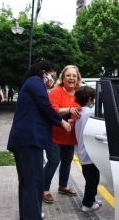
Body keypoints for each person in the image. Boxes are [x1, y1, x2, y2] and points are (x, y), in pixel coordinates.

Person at [7, 60, 71, 220]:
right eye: (52, 75)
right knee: (34, 182)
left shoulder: (30, 83)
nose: (51, 79)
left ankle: (28, 215)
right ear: (44, 72)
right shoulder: (35, 82)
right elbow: (46, 106)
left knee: (27, 182)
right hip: (29, 140)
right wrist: (61, 121)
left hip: (22, 140)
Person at [43, 65, 83, 204]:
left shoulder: (79, 92)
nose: (71, 78)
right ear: (63, 77)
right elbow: (53, 111)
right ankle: (44, 189)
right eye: (68, 75)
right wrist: (70, 109)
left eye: (74, 76)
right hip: (55, 134)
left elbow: (84, 110)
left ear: (78, 78)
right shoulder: (56, 91)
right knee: (54, 161)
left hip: (70, 136)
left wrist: (75, 118)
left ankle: (63, 186)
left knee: (67, 162)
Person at [74, 86, 102, 212]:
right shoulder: (91, 113)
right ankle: (87, 203)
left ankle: (92, 198)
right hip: (90, 153)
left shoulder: (80, 112)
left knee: (92, 178)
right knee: (92, 180)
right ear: (90, 99)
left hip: (83, 152)